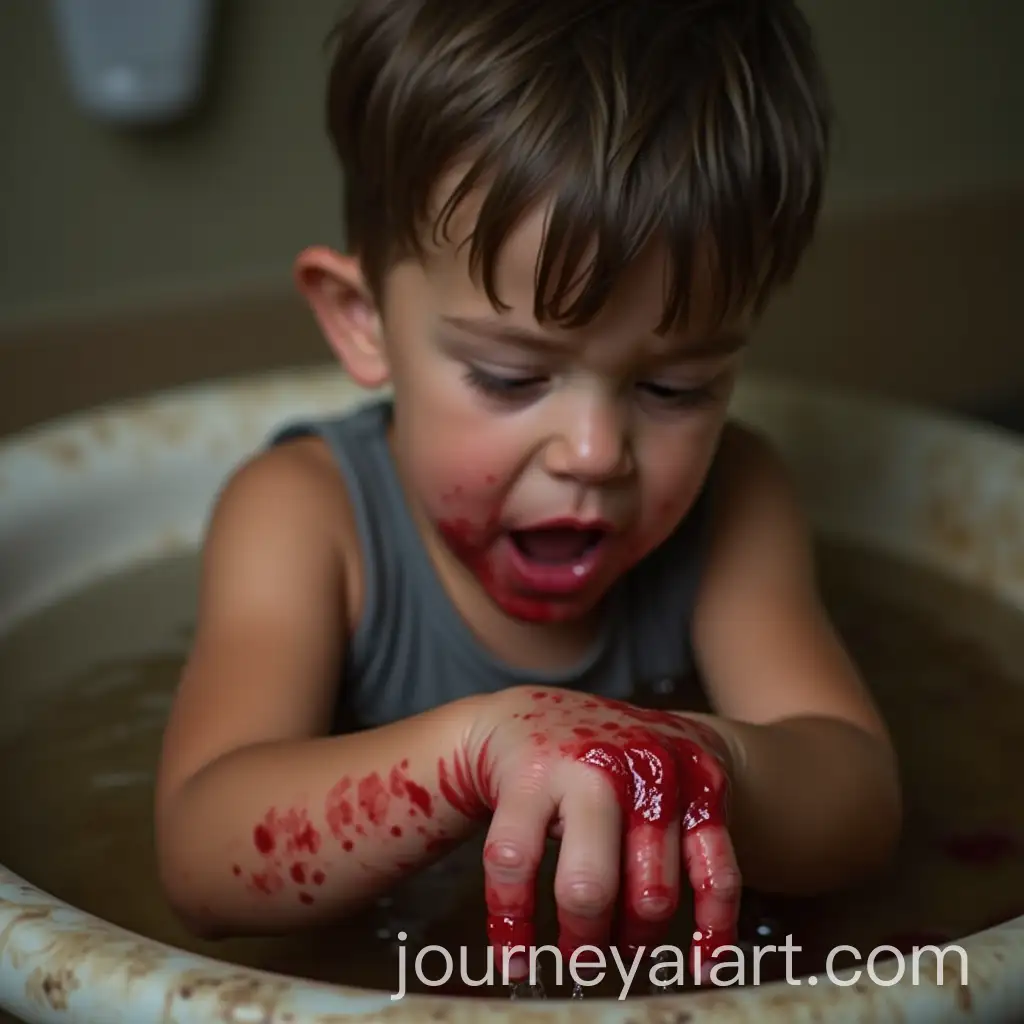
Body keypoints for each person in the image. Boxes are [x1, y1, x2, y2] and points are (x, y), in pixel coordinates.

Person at [154, 0, 901, 983]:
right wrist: (473, 751)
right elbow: (202, 854)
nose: (594, 452)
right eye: (511, 377)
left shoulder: (738, 500)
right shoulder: (304, 515)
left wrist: (696, 761)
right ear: (362, 321)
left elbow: (858, 800)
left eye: (674, 388)